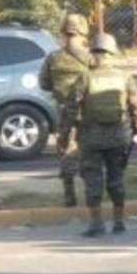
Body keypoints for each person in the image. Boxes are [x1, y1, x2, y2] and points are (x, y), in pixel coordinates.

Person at [59, 34, 137, 237]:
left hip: (91, 138)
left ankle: (96, 224)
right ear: (112, 53)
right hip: (119, 137)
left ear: (93, 53)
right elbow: (135, 106)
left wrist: (64, 135)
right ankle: (119, 222)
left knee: (93, 180)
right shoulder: (125, 77)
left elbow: (71, 109)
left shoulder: (85, 77)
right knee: (116, 178)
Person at [40, 13, 93, 207]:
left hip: (64, 112)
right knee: (89, 151)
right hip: (89, 111)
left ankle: (69, 196)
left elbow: (44, 84)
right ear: (83, 31)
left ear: (63, 32)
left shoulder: (53, 58)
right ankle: (91, 195)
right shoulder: (91, 57)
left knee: (66, 150)